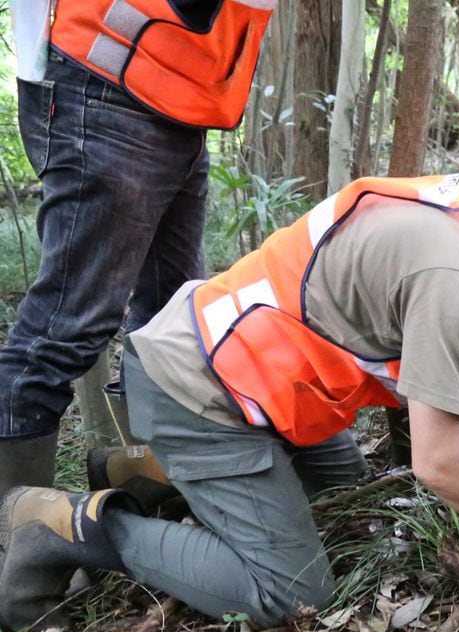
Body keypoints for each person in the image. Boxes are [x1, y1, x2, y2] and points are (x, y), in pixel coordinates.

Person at [0, 125, 459, 631]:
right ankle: (69, 524)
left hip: (271, 384)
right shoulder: (458, 272)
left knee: (348, 510)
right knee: (292, 592)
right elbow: (437, 465)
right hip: (204, 390)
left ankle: (143, 471)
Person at [0, 0, 276, 495]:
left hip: (178, 102)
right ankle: (20, 542)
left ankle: (132, 478)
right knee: (62, 333)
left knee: (170, 323)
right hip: (108, 88)